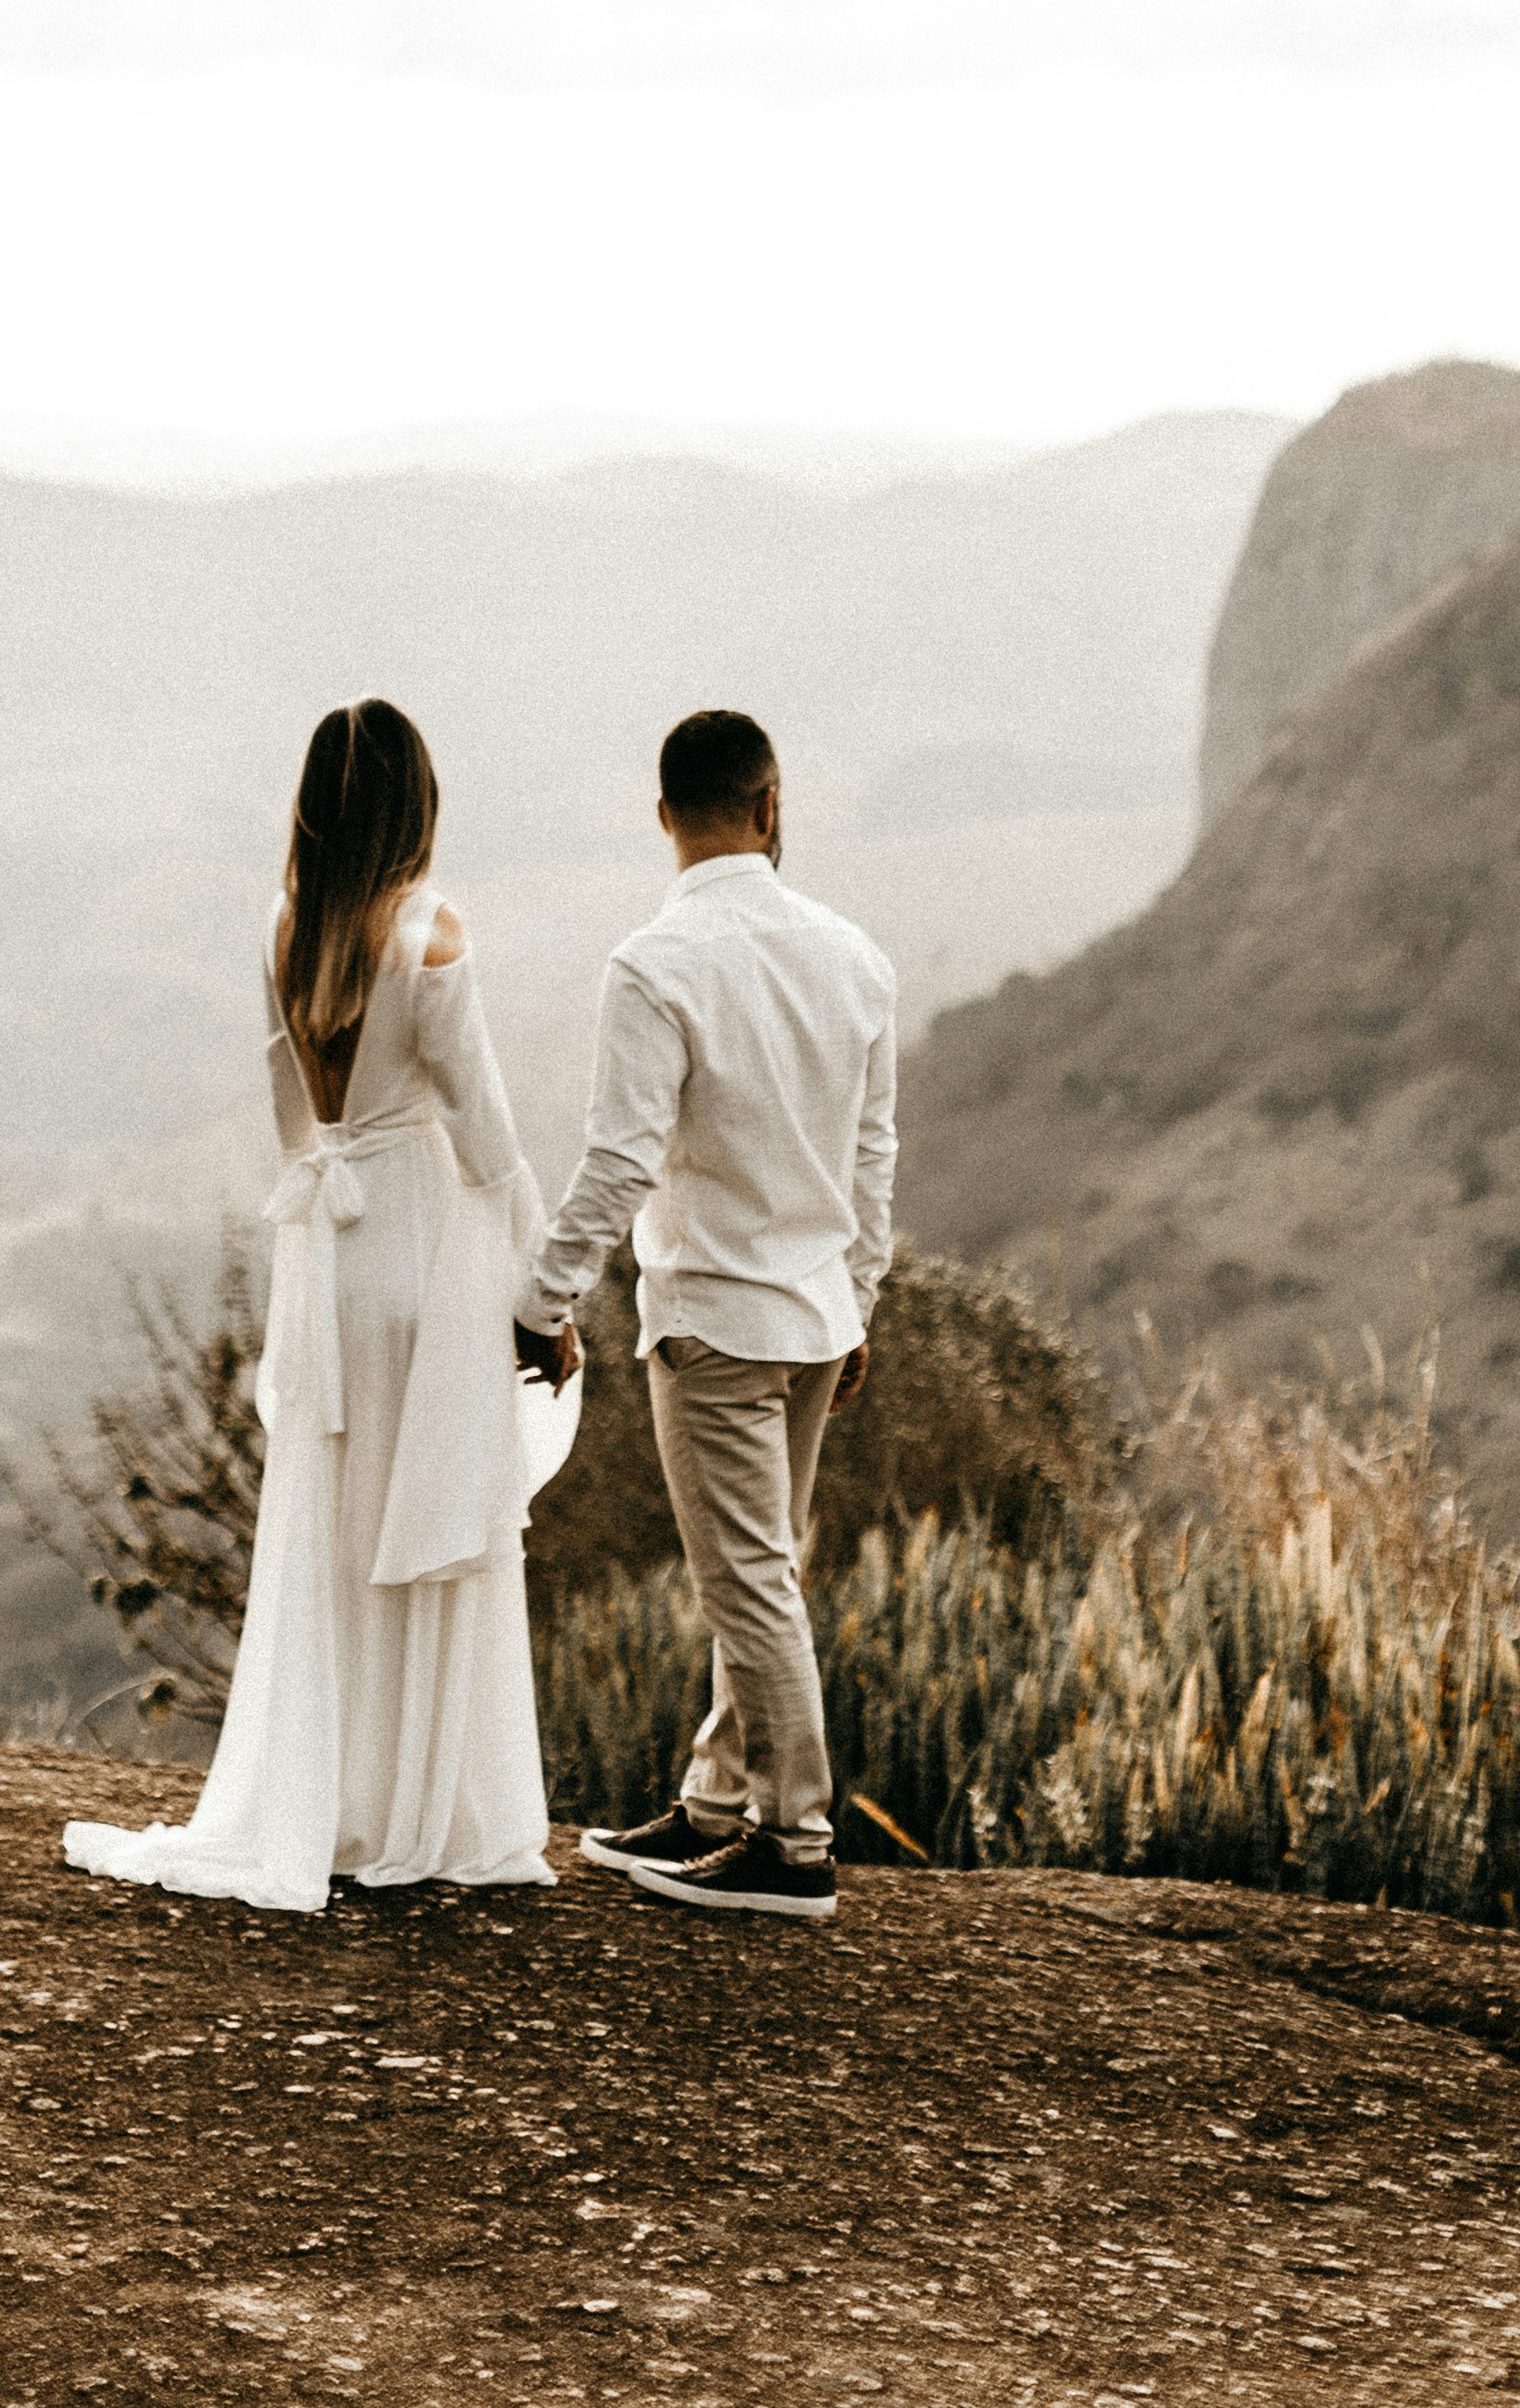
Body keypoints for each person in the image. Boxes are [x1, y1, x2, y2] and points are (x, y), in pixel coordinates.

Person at [63, 696, 577, 1918]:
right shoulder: (431, 932)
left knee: (336, 1538)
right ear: (418, 804)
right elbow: (490, 1139)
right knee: (428, 1529)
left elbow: (300, 1122)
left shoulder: (288, 932)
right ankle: (427, 1815)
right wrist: (548, 1290)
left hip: (328, 1260)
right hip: (422, 1247)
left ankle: (330, 1805)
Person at [513, 705, 896, 1922]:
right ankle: (716, 1803)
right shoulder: (857, 957)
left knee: (746, 1584)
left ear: (667, 816)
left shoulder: (655, 966)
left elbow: (621, 1161)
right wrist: (863, 1296)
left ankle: (797, 1842)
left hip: (716, 1322)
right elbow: (874, 1153)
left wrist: (543, 1294)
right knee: (762, 1569)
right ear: (772, 807)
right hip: (816, 1319)